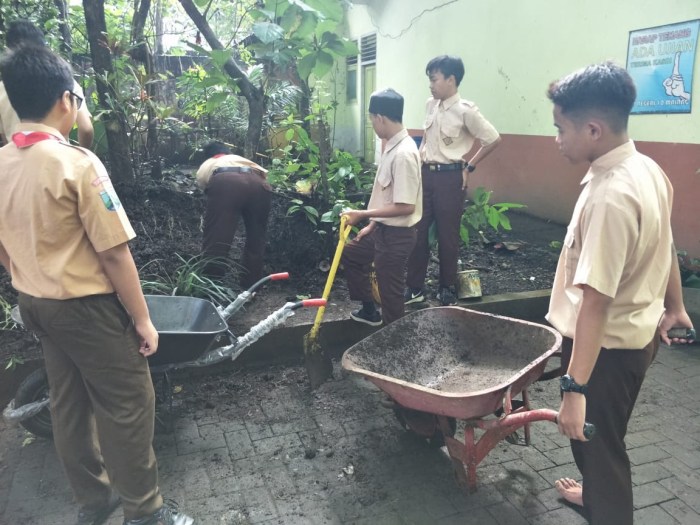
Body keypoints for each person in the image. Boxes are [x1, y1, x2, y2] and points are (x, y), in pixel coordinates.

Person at [0, 45, 193, 525]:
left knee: (69, 404)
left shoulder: (3, 162)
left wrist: (26, 275)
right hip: (86, 308)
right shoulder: (77, 165)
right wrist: (143, 319)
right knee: (128, 400)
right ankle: (145, 512)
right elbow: (112, 252)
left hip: (36, 303)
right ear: (66, 101)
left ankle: (94, 500)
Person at [545, 61, 695, 525]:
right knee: (605, 438)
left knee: (599, 450)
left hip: (604, 351)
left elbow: (595, 302)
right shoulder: (647, 168)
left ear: (592, 129)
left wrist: (574, 388)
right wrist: (677, 306)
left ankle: (604, 507)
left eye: (560, 129)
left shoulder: (611, 194)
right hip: (637, 338)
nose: (557, 140)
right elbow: (665, 243)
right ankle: (593, 493)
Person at [405, 55, 501, 306]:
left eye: (434, 79)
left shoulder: (466, 111)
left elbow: (492, 139)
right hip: (426, 176)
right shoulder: (430, 105)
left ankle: (446, 287)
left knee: (448, 236)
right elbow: (426, 138)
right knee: (418, 232)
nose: (430, 84)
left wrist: (469, 166)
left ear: (451, 79)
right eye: (429, 79)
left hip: (450, 179)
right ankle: (414, 288)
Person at [341, 88, 422, 326]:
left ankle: (393, 346)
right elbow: (388, 196)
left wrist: (363, 215)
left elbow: (405, 206)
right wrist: (372, 225)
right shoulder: (391, 147)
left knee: (390, 293)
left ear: (379, 118)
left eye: (372, 120)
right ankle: (368, 311)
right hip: (382, 231)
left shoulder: (404, 154)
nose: (373, 126)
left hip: (397, 236)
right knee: (352, 254)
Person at [0, 19, 94, 149]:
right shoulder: (63, 79)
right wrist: (82, 154)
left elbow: (4, 135)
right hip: (59, 157)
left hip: (15, 160)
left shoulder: (3, 87)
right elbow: (86, 128)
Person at [196, 141, 272, 288]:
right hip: (260, 184)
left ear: (209, 156)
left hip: (227, 182)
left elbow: (206, 187)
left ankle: (211, 285)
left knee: (217, 235)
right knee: (257, 238)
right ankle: (252, 286)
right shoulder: (241, 159)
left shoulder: (209, 163)